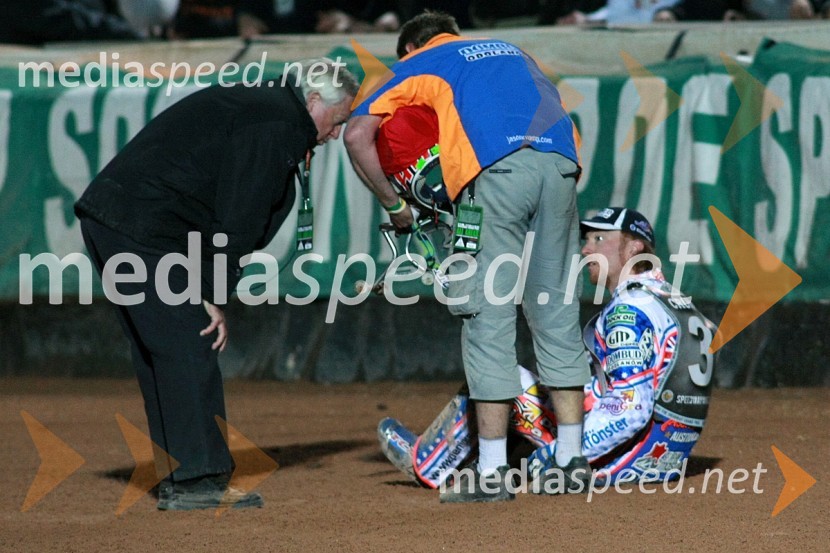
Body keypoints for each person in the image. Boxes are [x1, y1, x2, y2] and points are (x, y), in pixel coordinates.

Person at [74, 58, 358, 510]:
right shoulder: (276, 121)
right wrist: (211, 292)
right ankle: (197, 480)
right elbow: (239, 215)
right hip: (141, 227)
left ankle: (180, 475)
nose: (337, 134)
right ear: (314, 101)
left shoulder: (266, 108)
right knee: (190, 341)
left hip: (118, 219)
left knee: (163, 351)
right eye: (338, 121)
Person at [345, 11, 590, 503]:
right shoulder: (515, 52)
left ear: (410, 48)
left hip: (496, 172)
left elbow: (356, 133)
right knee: (555, 310)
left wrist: (394, 206)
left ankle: (494, 471)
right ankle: (570, 458)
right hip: (562, 166)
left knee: (487, 316)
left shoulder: (421, 61)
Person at [379, 206, 717, 492]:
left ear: (634, 250)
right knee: (558, 389)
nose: (586, 250)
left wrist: (561, 456)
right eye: (586, 240)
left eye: (599, 239)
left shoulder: (630, 310)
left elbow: (630, 409)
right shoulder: (675, 301)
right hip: (667, 457)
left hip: (628, 460)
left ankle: (427, 464)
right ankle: (497, 463)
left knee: (496, 376)